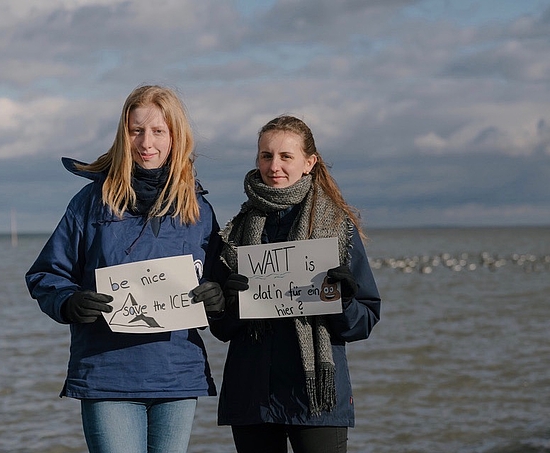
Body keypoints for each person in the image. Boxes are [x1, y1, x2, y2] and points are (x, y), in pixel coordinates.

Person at [25, 85, 226, 453]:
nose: (146, 142)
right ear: (124, 135)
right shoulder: (91, 202)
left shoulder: (197, 208)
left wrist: (218, 296)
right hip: (107, 373)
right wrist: (69, 302)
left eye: (158, 131)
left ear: (175, 137)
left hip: (176, 376)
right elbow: (46, 274)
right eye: (136, 131)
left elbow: (219, 281)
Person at [208, 115, 382, 453]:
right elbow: (222, 329)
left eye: (286, 156)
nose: (274, 166)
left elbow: (365, 321)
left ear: (309, 163)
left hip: (315, 397)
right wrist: (227, 303)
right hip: (252, 397)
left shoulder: (338, 229)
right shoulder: (234, 234)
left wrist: (344, 301)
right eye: (266, 155)